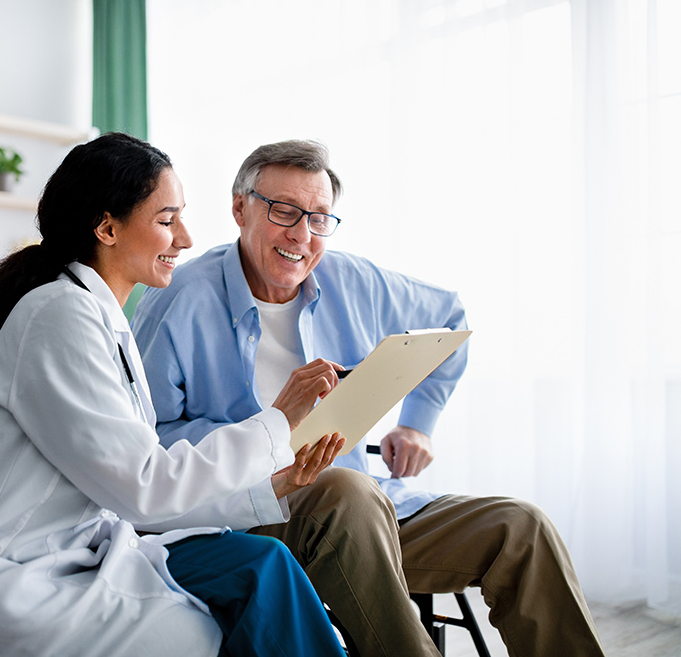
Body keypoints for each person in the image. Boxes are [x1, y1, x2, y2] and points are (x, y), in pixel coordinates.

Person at [132, 139, 606, 657]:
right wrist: (271, 431)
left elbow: (451, 319)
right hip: (251, 515)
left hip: (370, 513)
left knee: (521, 528)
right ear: (239, 208)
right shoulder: (178, 300)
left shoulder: (354, 280)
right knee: (344, 489)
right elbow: (147, 445)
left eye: (318, 219)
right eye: (283, 211)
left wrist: (418, 422)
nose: (301, 235)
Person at [0, 133, 348, 657]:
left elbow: (133, 497)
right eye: (166, 220)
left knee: (261, 571)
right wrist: (277, 421)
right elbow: (143, 489)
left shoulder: (101, 320)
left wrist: (271, 486)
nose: (185, 238)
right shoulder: (59, 316)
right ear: (107, 227)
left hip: (70, 559)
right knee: (224, 618)